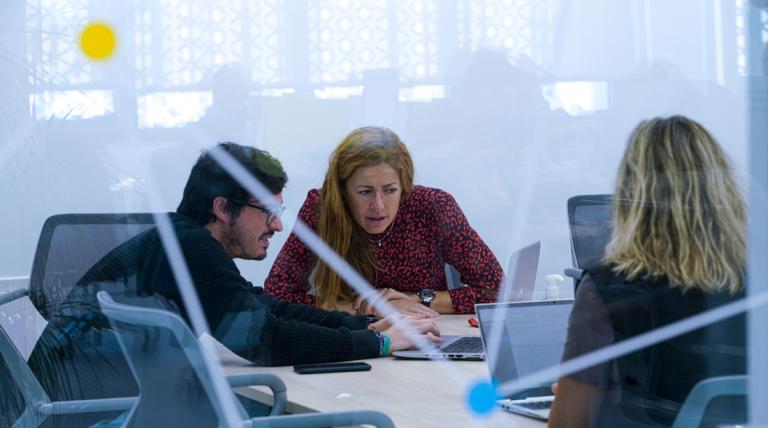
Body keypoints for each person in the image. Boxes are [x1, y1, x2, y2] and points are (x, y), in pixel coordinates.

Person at [26, 143, 441, 427]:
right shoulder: (189, 249)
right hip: (92, 416)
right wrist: (381, 345)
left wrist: (362, 327)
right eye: (268, 211)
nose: (278, 225)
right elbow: (265, 339)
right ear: (223, 208)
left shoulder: (182, 240)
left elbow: (261, 307)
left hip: (77, 409)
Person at [548, 116, 747, 427]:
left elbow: (568, 424)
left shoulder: (608, 288)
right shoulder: (755, 283)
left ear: (632, 195)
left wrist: (577, 396)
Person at [265, 127, 502, 317]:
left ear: (404, 186)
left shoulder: (434, 207)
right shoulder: (321, 209)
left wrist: (416, 300)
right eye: (365, 192)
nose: (378, 206)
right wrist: (368, 308)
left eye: (390, 190)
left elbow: (497, 290)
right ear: (343, 192)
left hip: (425, 336)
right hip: (350, 338)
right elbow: (277, 294)